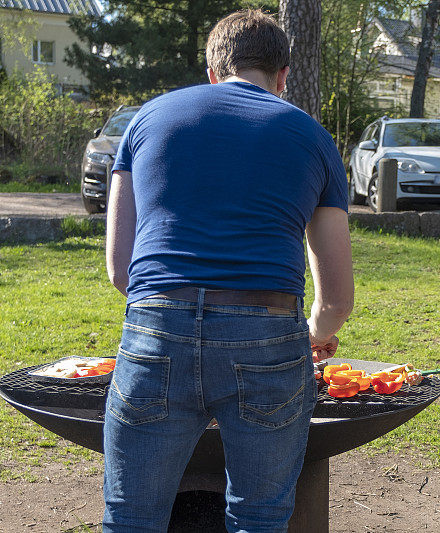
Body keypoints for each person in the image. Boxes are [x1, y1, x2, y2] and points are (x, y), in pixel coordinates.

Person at [103, 9, 353, 532]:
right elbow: (336, 300)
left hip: (157, 330)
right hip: (267, 335)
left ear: (212, 72)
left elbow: (121, 271)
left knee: (130, 517)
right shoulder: (311, 136)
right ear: (282, 77)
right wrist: (316, 332)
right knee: (258, 517)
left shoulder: (146, 120)